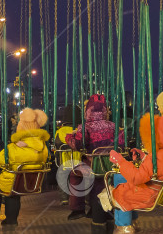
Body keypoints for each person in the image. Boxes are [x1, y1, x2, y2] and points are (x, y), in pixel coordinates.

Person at [101, 115, 163, 234]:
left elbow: (137, 178)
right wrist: (144, 157)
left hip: (148, 194)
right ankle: (132, 222)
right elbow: (158, 169)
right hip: (156, 191)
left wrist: (120, 161)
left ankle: (124, 228)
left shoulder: (157, 156)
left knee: (117, 193)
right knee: (122, 181)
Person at [0, 107, 50, 228]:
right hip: (29, 183)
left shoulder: (14, 148)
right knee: (13, 191)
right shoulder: (43, 147)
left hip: (13, 180)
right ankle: (11, 221)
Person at [65, 95, 124, 228]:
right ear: (105, 111)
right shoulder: (114, 126)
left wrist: (69, 138)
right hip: (112, 165)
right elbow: (121, 143)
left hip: (94, 165)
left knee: (74, 173)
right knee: (103, 186)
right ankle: (107, 219)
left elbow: (79, 144)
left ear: (87, 111)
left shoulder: (85, 127)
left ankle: (77, 207)